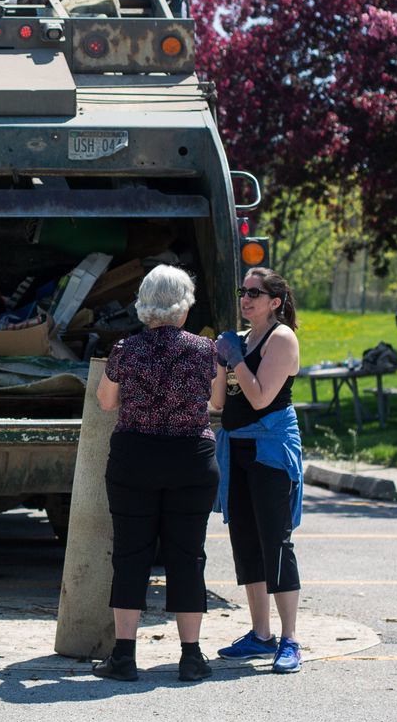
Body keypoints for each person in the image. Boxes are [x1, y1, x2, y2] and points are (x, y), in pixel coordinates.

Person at [91, 265, 226, 682]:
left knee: (131, 554)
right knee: (188, 555)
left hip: (136, 458)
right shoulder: (207, 351)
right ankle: (190, 657)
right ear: (183, 308)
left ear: (145, 306)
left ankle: (124, 657)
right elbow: (217, 404)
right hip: (191, 458)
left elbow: (106, 403)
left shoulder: (125, 350)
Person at [214, 266, 306, 674]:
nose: (246, 298)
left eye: (256, 292)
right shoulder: (243, 339)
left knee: (276, 542)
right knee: (246, 541)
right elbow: (219, 403)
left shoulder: (281, 338)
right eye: (243, 291)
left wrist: (235, 358)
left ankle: (289, 639)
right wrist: (221, 360)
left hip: (270, 449)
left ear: (275, 302)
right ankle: (259, 634)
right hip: (237, 447)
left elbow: (260, 396)